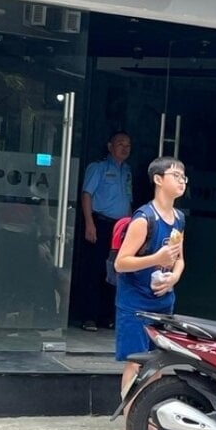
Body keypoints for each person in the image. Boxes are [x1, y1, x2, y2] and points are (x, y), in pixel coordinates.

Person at [107, 156, 187, 430]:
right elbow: (121, 263)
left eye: (184, 177)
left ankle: (149, 424)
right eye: (175, 175)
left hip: (162, 301)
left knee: (156, 364)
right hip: (134, 304)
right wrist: (157, 260)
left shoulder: (179, 217)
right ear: (157, 179)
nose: (181, 181)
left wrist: (174, 277)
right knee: (135, 364)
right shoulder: (144, 219)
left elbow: (179, 258)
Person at [80, 131, 133, 331]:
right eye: (120, 144)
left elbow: (127, 200)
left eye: (128, 145)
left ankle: (106, 316)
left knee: (114, 272)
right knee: (94, 270)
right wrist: (89, 222)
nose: (125, 148)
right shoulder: (99, 168)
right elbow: (87, 195)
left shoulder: (127, 171)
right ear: (110, 146)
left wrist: (129, 227)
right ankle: (89, 317)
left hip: (119, 227)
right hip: (100, 223)